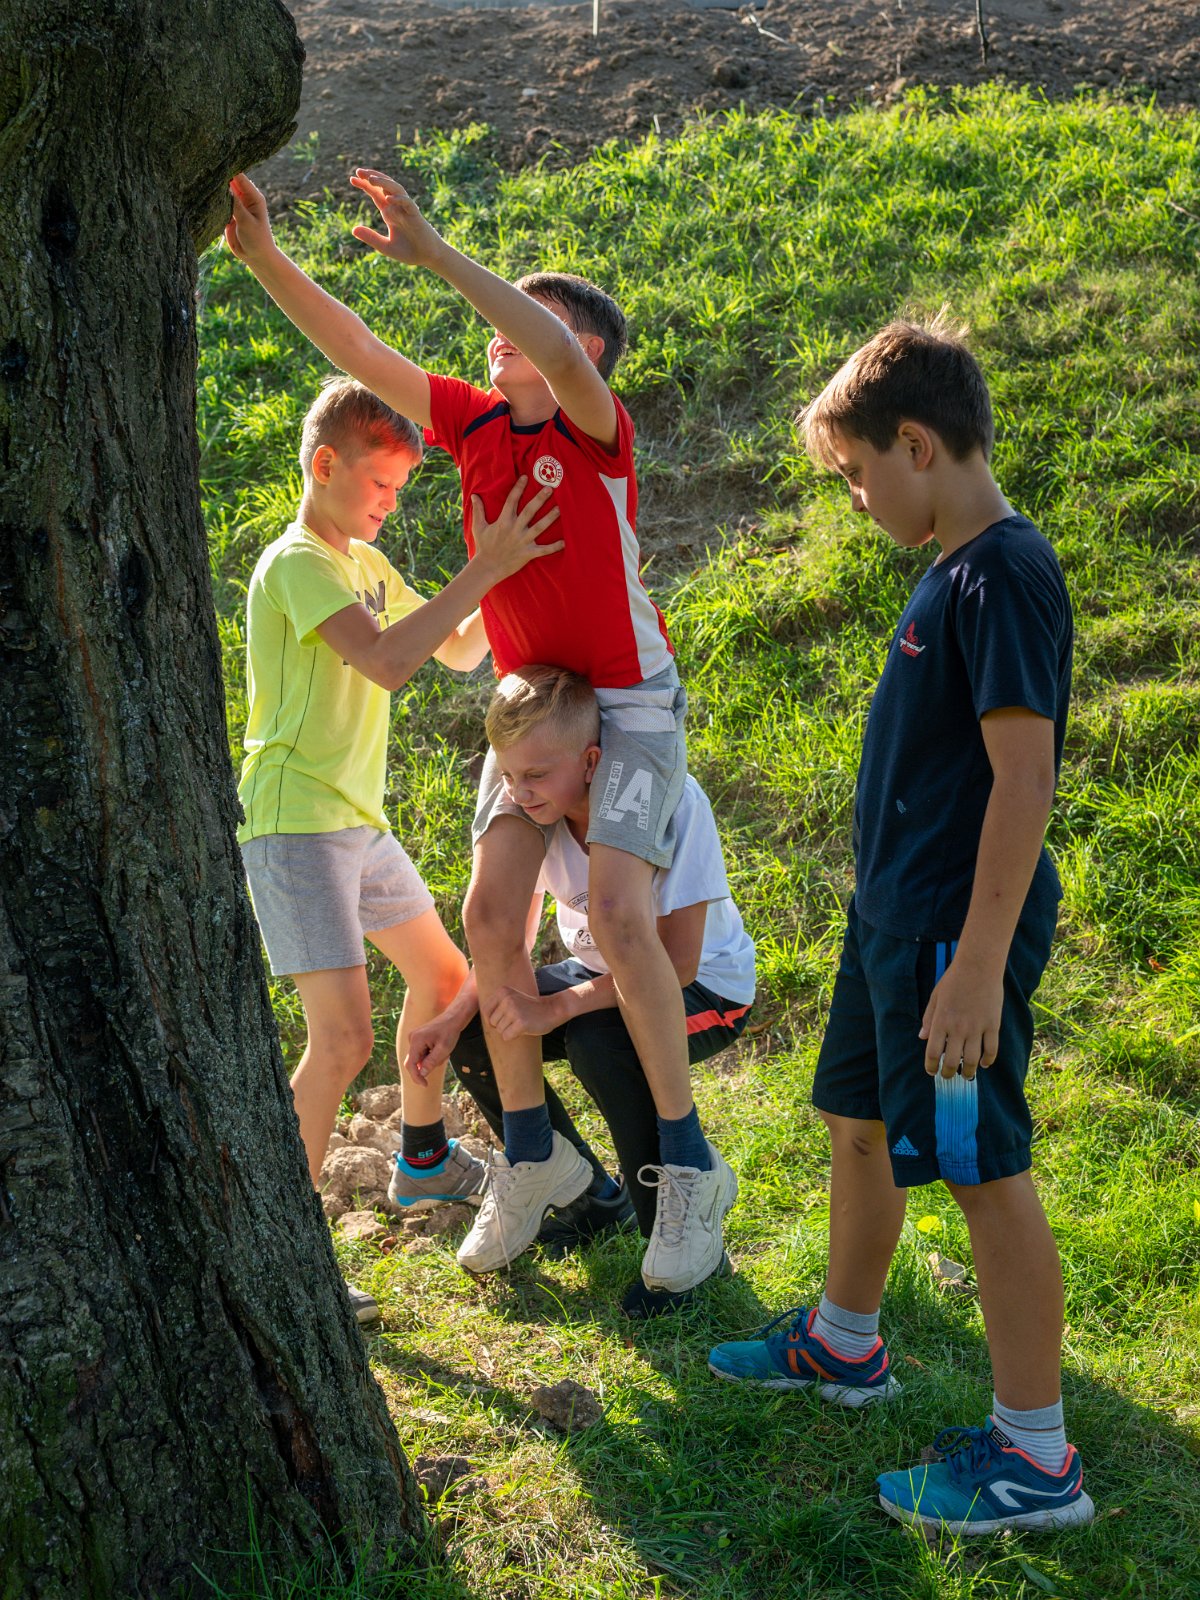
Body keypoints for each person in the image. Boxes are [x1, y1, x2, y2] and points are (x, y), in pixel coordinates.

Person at [225, 172, 737, 1296]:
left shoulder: (597, 431)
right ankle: (535, 1151)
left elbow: (544, 345)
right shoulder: (470, 422)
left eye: (531, 325)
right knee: (488, 918)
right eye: (501, 323)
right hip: (534, 702)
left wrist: (441, 256)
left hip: (629, 701)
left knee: (618, 913)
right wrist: (263, 258)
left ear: (581, 356)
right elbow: (358, 349)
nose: (501, 337)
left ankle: (690, 1167)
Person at [708, 317, 1094, 1536]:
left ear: (918, 444)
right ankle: (845, 1339)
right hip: (891, 924)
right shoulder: (950, 568)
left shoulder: (1004, 574)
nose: (857, 497)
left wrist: (975, 967)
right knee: (857, 1123)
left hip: (948, 943)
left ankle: (1036, 1460)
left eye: (857, 473)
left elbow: (1024, 780)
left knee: (983, 1173)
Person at [235, 376, 562, 1323]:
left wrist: (502, 567)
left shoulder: (365, 563)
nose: (388, 502)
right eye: (379, 484)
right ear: (324, 465)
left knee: (444, 977)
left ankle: (420, 1159)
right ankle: (287, 1258)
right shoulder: (296, 562)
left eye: (399, 488)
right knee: (342, 1037)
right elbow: (385, 661)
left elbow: (457, 647)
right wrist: (482, 569)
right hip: (294, 820)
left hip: (356, 822)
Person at [402, 666, 755, 1316]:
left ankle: (679, 1230)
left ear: (592, 762)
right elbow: (508, 943)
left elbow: (677, 965)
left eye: (536, 774)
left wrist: (557, 1007)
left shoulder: (673, 801)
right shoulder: (538, 820)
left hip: (708, 991)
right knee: (485, 1026)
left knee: (599, 1040)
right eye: (508, 776)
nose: (519, 792)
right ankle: (589, 1198)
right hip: (603, 979)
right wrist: (452, 1019)